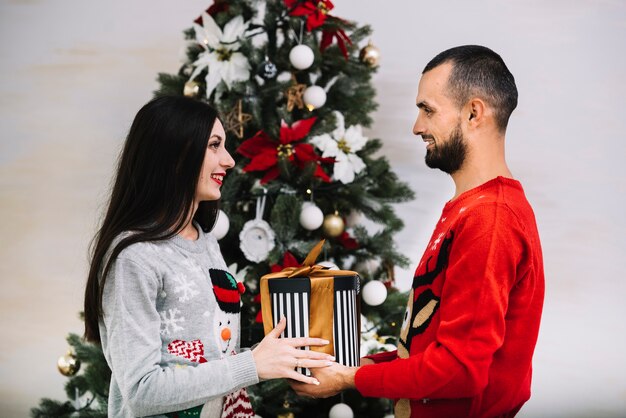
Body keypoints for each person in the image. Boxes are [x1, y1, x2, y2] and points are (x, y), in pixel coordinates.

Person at [291, 45, 545, 418]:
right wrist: (360, 365)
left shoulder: (491, 219)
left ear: (473, 113)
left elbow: (460, 369)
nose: (416, 126)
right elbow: (433, 349)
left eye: (428, 110)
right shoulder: (469, 210)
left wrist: (351, 379)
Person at [83, 95, 333, 418]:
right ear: (176, 153)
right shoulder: (134, 257)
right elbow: (141, 390)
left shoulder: (205, 241)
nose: (229, 161)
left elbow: (210, 357)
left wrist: (271, 357)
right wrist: (251, 365)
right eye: (215, 145)